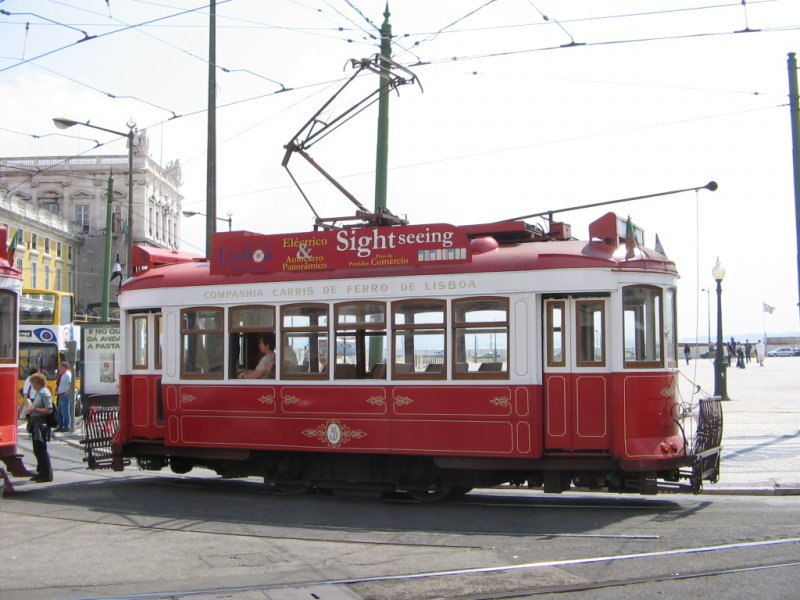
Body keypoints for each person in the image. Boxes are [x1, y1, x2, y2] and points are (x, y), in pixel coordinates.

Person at [25, 372, 54, 482]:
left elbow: (49, 409)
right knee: (37, 450)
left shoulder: (44, 392)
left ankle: (47, 475)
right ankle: (40, 472)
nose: (32, 386)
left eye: (33, 383)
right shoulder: (39, 392)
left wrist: (35, 409)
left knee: (41, 449)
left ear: (38, 383)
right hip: (36, 424)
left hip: (41, 425)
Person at [55, 361, 73, 432]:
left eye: (61, 366)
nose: (59, 368)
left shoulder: (68, 375)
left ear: (65, 367)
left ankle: (66, 427)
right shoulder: (63, 374)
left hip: (65, 395)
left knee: (65, 411)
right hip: (61, 394)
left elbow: (71, 384)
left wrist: (68, 391)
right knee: (59, 411)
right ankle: (60, 426)